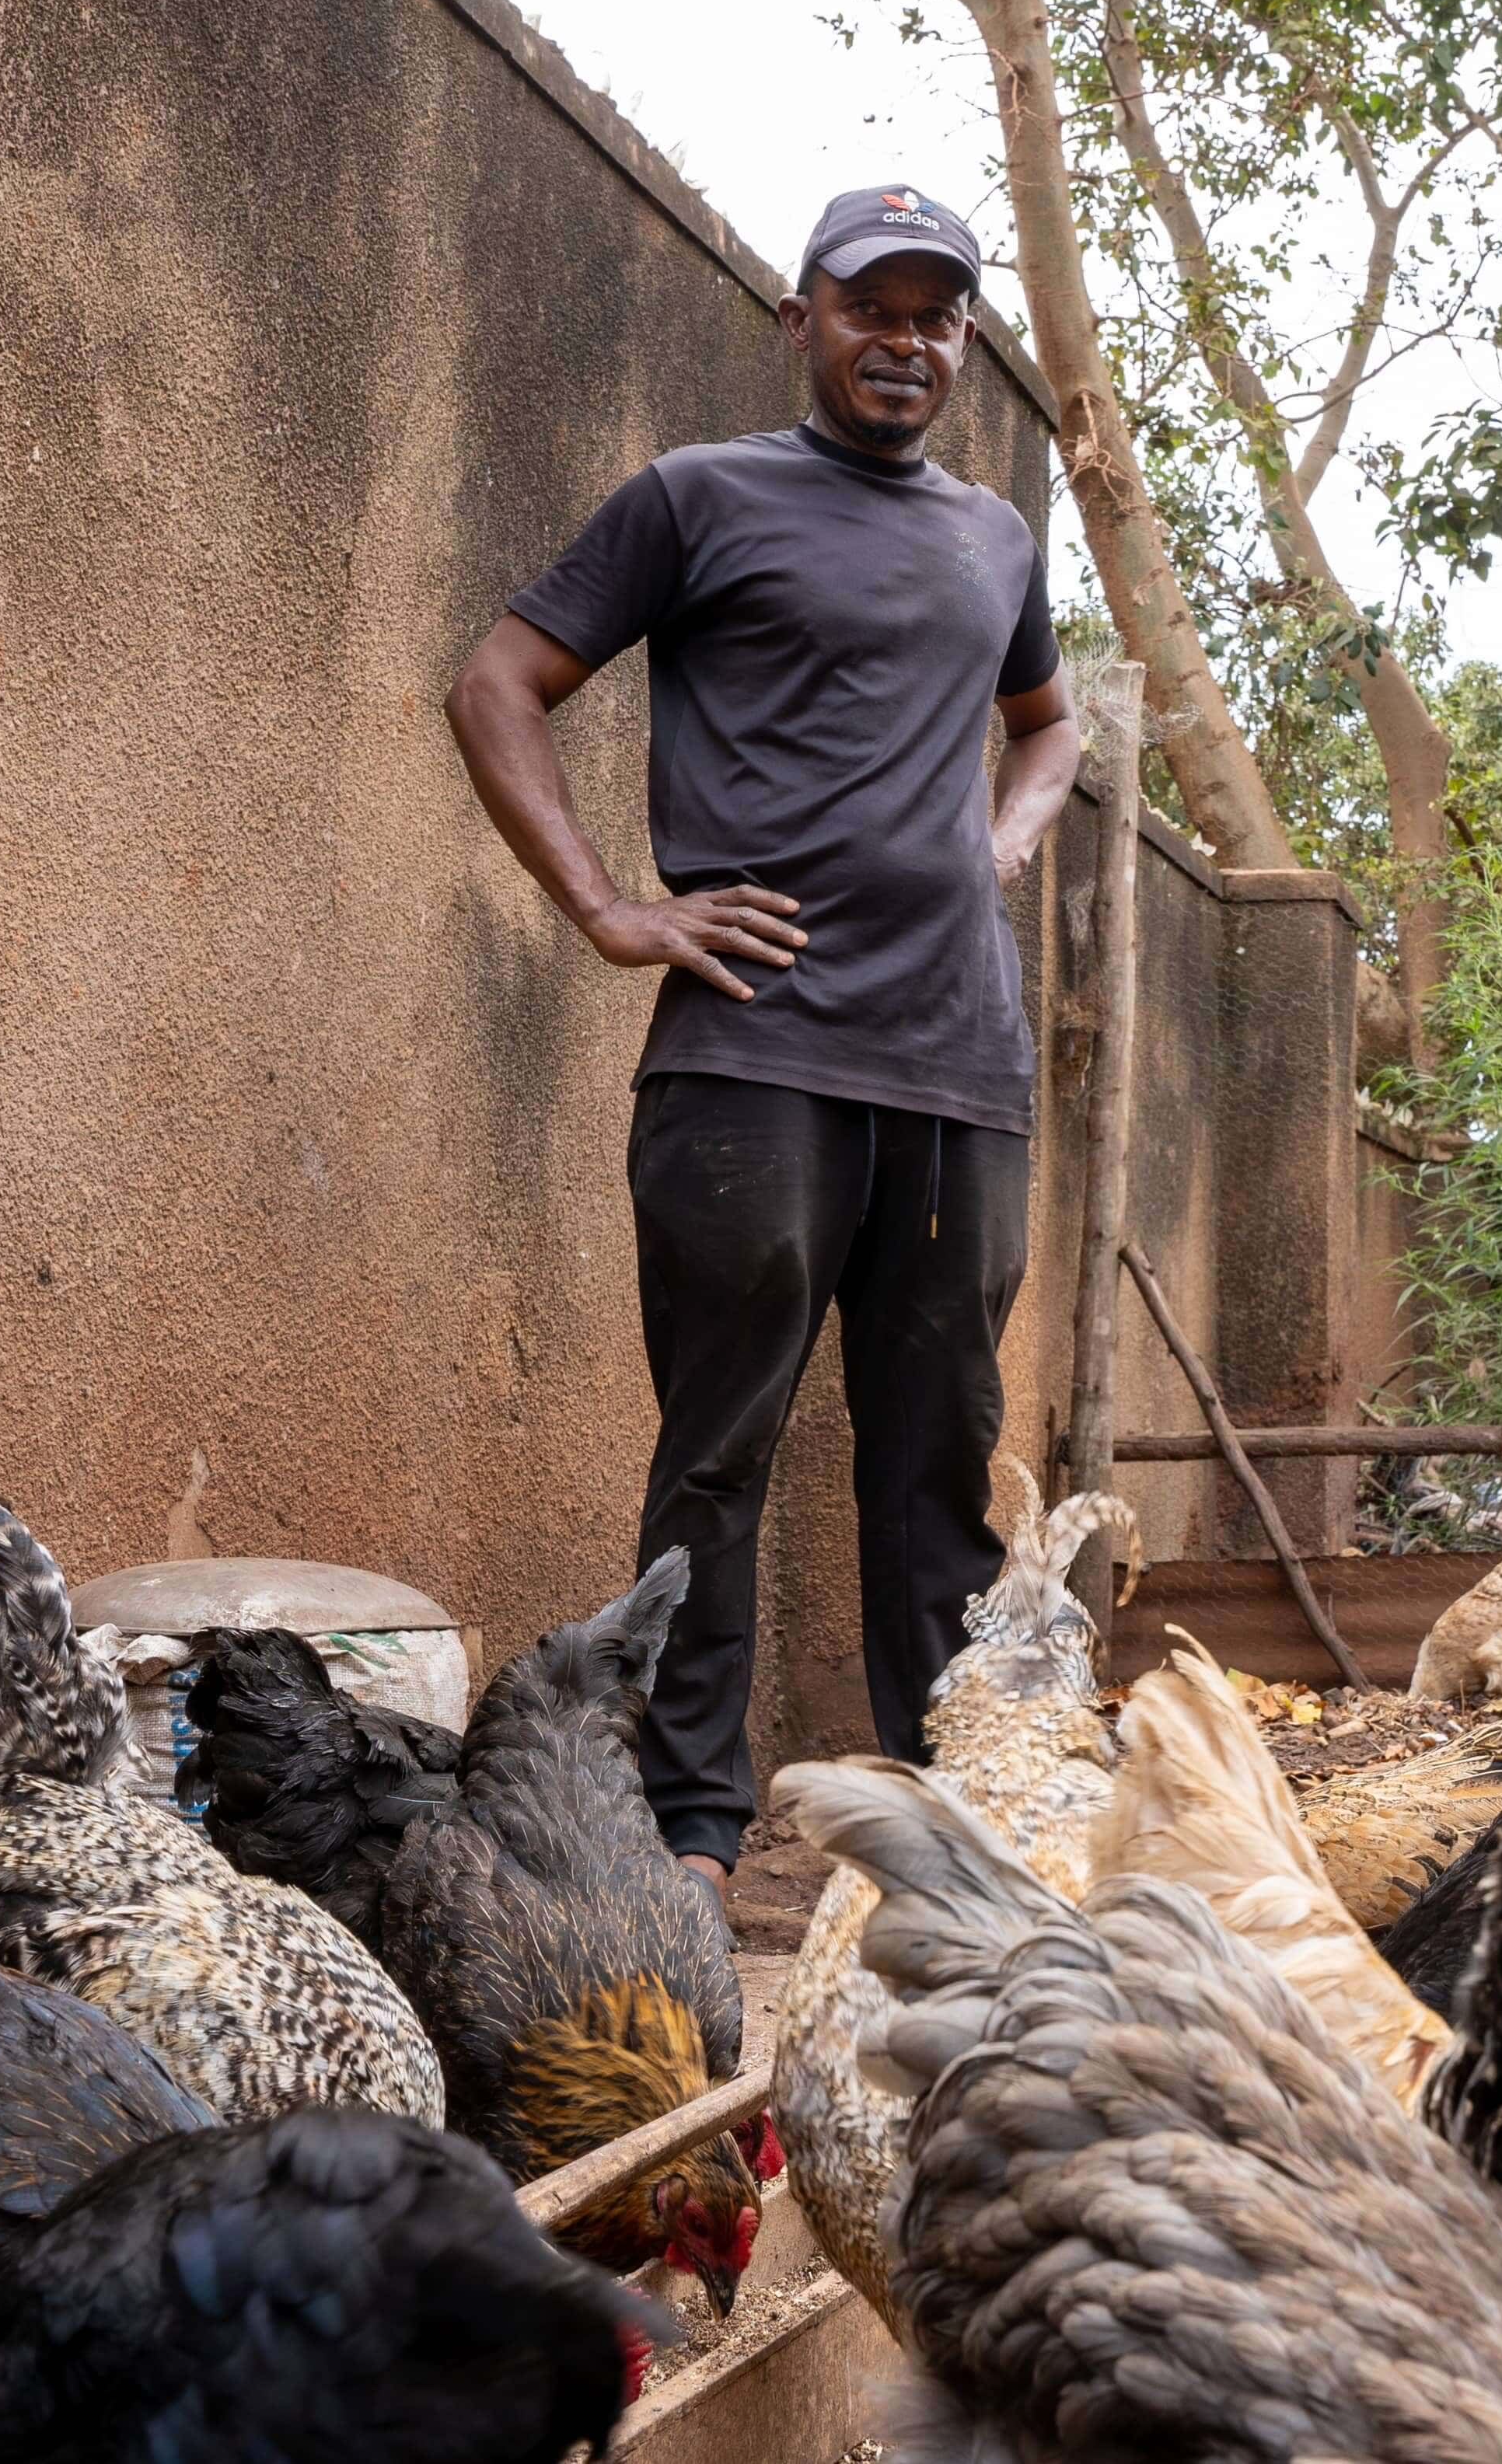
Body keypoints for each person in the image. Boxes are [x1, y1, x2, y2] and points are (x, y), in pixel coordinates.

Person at [443, 184, 1080, 1893]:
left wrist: (1002, 841)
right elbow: (498, 680)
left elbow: (1052, 721)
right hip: (752, 1053)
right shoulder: (697, 499)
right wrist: (607, 908)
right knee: (716, 1450)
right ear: (799, 316)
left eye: (938, 314)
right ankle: (692, 1837)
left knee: (937, 1462)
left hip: (960, 1067)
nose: (908, 340)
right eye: (874, 306)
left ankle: (954, 1832)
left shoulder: (997, 538)